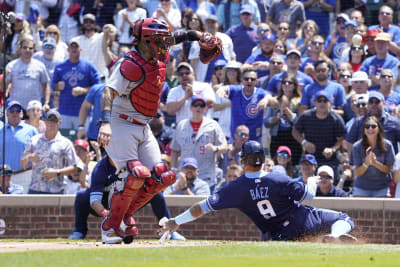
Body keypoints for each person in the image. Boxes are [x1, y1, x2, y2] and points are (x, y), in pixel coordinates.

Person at [96, 18, 222, 244]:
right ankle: (110, 226)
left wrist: (200, 36)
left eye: (165, 40)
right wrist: (105, 123)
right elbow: (108, 92)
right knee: (135, 174)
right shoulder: (129, 63)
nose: (166, 45)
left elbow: (181, 36)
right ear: (147, 40)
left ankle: (124, 215)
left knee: (162, 175)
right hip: (119, 123)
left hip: (142, 125)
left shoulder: (156, 50)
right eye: (161, 40)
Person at [159, 140, 357, 243]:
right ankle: (336, 235)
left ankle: (329, 238)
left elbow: (201, 207)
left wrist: (175, 222)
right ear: (262, 158)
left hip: (279, 234)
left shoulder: (235, 187)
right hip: (303, 219)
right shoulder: (277, 177)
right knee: (345, 219)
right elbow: (309, 197)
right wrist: (312, 181)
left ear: (243, 160)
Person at [170, 95, 228, 191]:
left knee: (205, 204)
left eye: (201, 105)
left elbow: (225, 147)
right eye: (195, 104)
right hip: (185, 176)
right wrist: (173, 168)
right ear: (190, 107)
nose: (198, 108)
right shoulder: (181, 125)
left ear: (205, 108)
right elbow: (175, 150)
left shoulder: (213, 125)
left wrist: (216, 148)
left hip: (206, 175)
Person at [20, 109, 78, 194]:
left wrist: (57, 173)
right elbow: (22, 164)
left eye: (54, 120)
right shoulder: (34, 140)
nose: (51, 123)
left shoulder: (66, 143)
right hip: (35, 189)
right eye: (49, 120)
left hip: (56, 191)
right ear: (45, 121)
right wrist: (29, 157)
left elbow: (74, 167)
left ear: (59, 123)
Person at [52, 39, 101, 130]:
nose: (73, 49)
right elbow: (52, 86)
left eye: (76, 47)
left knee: (81, 142)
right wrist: (57, 86)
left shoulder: (88, 66)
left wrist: (84, 90)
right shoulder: (60, 66)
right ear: (68, 49)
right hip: (64, 111)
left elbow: (98, 88)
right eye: (71, 47)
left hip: (83, 112)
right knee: (65, 140)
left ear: (80, 49)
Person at [293, 90, 345, 174]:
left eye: (325, 101)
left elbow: (341, 139)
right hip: (310, 159)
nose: (322, 103)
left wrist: (332, 149)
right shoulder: (306, 116)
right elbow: (295, 131)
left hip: (330, 160)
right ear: (314, 103)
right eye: (319, 100)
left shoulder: (336, 119)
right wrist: (304, 142)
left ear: (330, 103)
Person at [216, 66, 271, 142]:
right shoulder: (236, 90)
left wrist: (266, 99)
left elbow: (268, 96)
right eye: (246, 79)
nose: (249, 81)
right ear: (241, 80)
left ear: (256, 81)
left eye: (252, 79)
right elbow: (225, 88)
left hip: (255, 139)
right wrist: (221, 89)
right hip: (236, 138)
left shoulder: (260, 93)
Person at [349, 116, 395, 197]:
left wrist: (375, 163)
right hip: (361, 187)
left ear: (379, 129)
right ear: (364, 130)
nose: (370, 129)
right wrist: (366, 164)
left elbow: (388, 170)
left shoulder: (387, 145)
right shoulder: (357, 147)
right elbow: (358, 173)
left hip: (382, 187)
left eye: (373, 126)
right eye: (367, 126)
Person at [0, 101, 38, 193]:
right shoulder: (1, 131)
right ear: (7, 114)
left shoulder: (31, 130)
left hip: (24, 174)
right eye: (12, 110)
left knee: (24, 204)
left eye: (18, 110)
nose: (15, 113)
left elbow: (39, 151)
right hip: (4, 176)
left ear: (22, 114)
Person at [5, 36, 50, 111]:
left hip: (34, 109)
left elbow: (46, 86)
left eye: (30, 48)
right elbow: (3, 88)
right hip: (16, 109)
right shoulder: (11, 66)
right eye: (25, 47)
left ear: (34, 50)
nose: (27, 50)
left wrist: (46, 103)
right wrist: (4, 77)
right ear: (20, 49)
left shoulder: (40, 66)